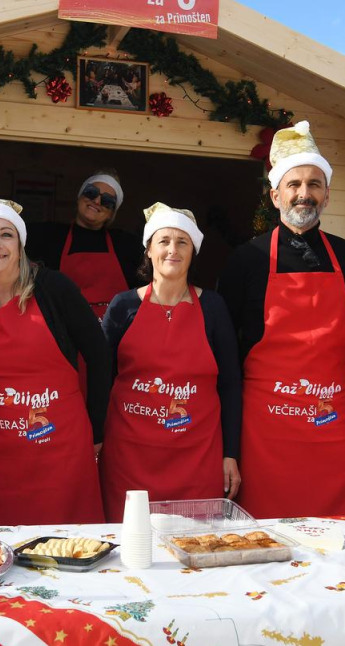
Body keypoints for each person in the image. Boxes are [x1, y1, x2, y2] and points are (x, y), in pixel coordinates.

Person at [218, 121, 345, 518]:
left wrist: (332, 392)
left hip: (331, 420)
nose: (305, 193)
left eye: (314, 184)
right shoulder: (247, 258)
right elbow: (225, 348)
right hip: (265, 425)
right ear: (275, 195)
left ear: (327, 195)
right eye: (294, 184)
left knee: (338, 529)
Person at [0, 193, 109, 525]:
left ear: (20, 245)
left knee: (71, 544)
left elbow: (99, 356)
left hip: (62, 447)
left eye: (7, 234)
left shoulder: (54, 288)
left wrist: (97, 429)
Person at [99, 203, 242, 521]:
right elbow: (101, 378)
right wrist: (96, 439)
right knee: (131, 542)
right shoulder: (123, 306)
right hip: (128, 458)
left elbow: (231, 384)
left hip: (197, 457)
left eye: (182, 242)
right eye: (163, 241)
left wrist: (230, 453)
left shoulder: (213, 307)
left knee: (198, 543)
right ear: (149, 250)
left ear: (193, 252)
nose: (172, 250)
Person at [26, 170, 143, 321]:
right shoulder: (47, 235)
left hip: (113, 331)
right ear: (79, 197)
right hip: (64, 330)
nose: (97, 201)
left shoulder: (127, 244)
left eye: (107, 200)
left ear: (111, 214)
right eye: (91, 192)